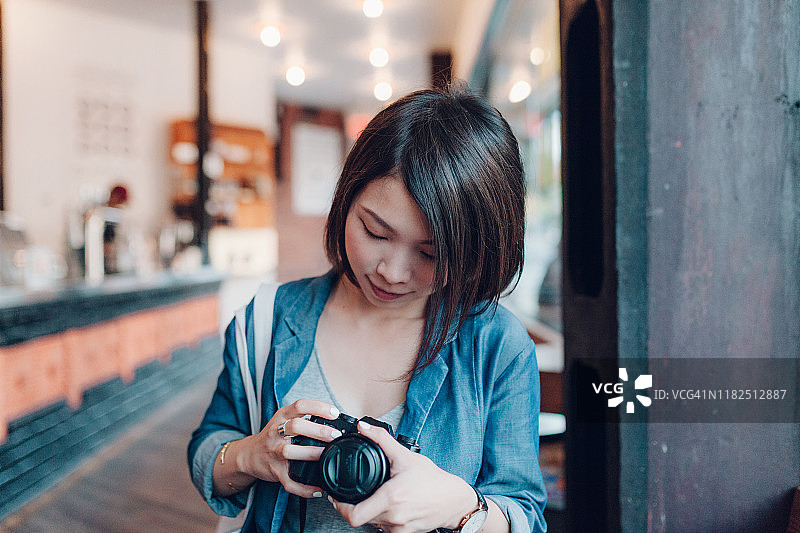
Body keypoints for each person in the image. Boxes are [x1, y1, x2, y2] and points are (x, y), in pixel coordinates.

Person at [188, 84, 547, 533]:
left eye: (431, 254)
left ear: (476, 251)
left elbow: (525, 515)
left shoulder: (497, 346)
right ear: (346, 199)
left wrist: (460, 509)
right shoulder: (268, 319)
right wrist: (251, 454)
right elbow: (208, 449)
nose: (392, 272)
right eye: (375, 232)